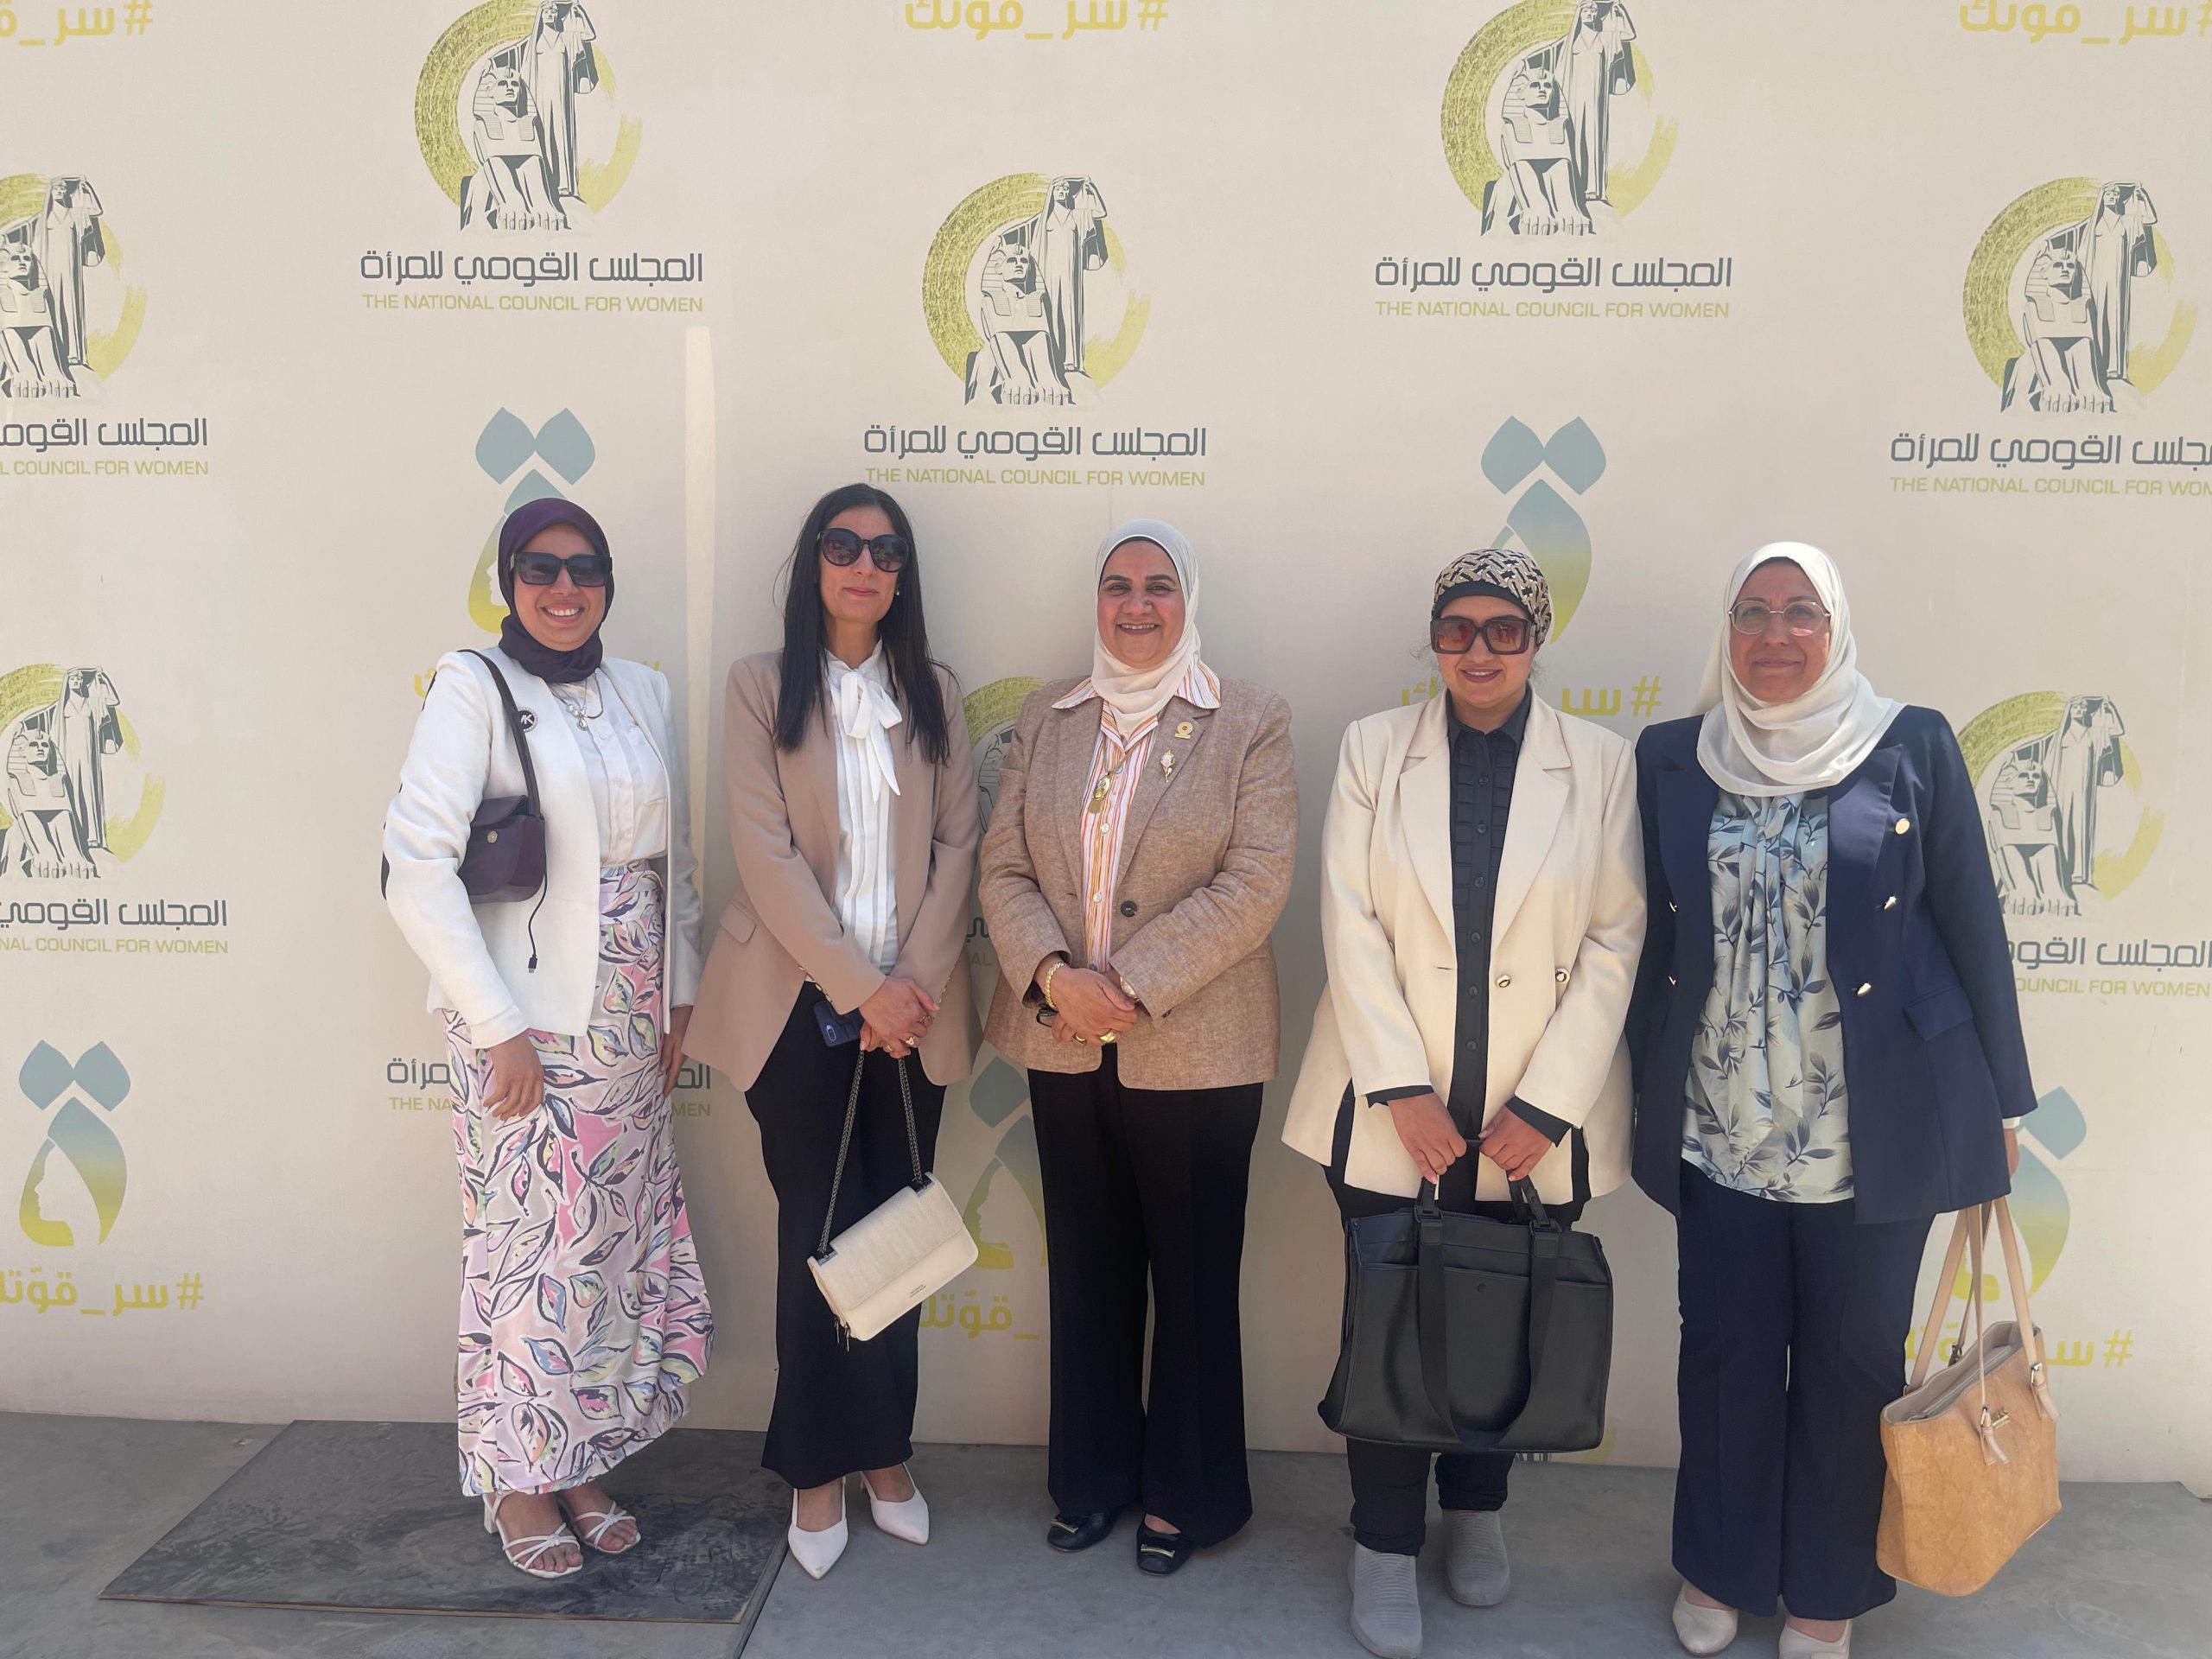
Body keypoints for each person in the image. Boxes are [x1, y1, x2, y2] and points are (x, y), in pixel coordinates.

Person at [1629, 543, 2035, 1658]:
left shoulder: (1910, 744)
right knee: (1723, 1354)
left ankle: (1827, 1587)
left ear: (1835, 626)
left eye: (1799, 611)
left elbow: (1972, 921)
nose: (1774, 635)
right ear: (1726, 631)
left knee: (1853, 1365)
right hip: (1719, 1125)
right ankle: (1718, 1568)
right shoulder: (1672, 757)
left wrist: (2002, 1101)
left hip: (1874, 1132)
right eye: (1752, 612)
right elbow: (1652, 940)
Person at [1284, 548, 1645, 1659]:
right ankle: (1384, 1543)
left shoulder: (1601, 764)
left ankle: (1477, 1512)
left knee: (1507, 1320)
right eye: (1456, 629)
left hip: (1532, 1121)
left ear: (1537, 640)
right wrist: (1399, 1090)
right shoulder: (1372, 750)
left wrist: (1548, 1105)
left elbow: (1614, 939)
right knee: (1389, 1326)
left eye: (1503, 630)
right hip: (1391, 1112)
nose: (1478, 650)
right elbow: (1347, 922)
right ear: (1433, 639)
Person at [384, 499, 712, 1580]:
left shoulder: (643, 690)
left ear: (607, 582)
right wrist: (498, 1030)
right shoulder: (471, 686)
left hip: (629, 1019)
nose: (564, 589)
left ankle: (579, 1458)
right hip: (524, 1022)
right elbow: (415, 867)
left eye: (585, 568)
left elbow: (673, 861)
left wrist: (678, 995)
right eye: (539, 568)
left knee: (605, 1251)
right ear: (508, 580)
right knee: (531, 1251)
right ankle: (518, 1478)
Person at [978, 519, 1296, 1576]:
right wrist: (1052, 976)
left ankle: (1188, 1497)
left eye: (1158, 586)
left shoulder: (1248, 719)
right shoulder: (1048, 716)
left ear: (1186, 599)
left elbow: (1255, 882)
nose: (1136, 605)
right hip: (1063, 1041)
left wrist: (1125, 987)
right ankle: (1093, 1480)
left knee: (1194, 1279)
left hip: (1197, 1047)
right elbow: (1003, 868)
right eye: (1117, 585)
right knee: (1088, 1269)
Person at [684, 484, 979, 1580]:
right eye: (843, 545)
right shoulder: (760, 687)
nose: (864, 565)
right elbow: (764, 857)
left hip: (914, 1017)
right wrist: (861, 989)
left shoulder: (934, 693)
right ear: (813, 562)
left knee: (898, 1245)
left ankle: (887, 1457)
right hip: (795, 1015)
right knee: (818, 1243)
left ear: (903, 577)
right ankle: (817, 1471)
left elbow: (959, 849)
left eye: (886, 551)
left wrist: (908, 990)